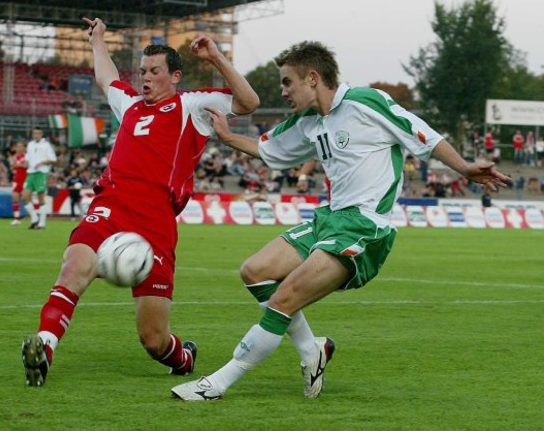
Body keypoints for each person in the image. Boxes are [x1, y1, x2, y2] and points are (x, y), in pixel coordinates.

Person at [171, 40, 510, 401]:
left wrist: (463, 167)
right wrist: (225, 137)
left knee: (284, 299)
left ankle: (217, 384)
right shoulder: (307, 122)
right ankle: (310, 349)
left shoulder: (366, 102)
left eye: (288, 82)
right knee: (255, 271)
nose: (283, 91)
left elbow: (420, 134)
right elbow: (268, 150)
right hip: (329, 219)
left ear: (313, 78)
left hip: (364, 226)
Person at [20, 16, 259, 387]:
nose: (145, 78)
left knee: (153, 340)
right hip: (110, 206)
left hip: (155, 222)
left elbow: (249, 102)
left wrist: (215, 58)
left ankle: (182, 357)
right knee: (74, 266)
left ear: (175, 76)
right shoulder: (129, 105)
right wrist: (98, 39)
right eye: (143, 71)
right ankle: (44, 346)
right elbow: (105, 77)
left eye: (154, 71)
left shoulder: (191, 107)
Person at [22, 127, 57, 230]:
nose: (36, 135)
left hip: (41, 173)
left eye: (38, 133)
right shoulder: (30, 144)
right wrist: (26, 163)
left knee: (41, 198)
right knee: (25, 196)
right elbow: (28, 157)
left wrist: (42, 163)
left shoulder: (46, 145)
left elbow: (53, 159)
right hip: (31, 172)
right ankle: (34, 219)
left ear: (41, 134)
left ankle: (42, 223)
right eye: (34, 133)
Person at [10, 141, 28, 226]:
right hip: (16, 179)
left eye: (21, 146)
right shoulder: (14, 157)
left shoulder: (27, 156)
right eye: (18, 146)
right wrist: (19, 165)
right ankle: (16, 219)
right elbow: (13, 166)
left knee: (26, 198)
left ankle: (34, 217)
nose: (19, 148)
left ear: (24, 148)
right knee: (15, 198)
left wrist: (19, 165)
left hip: (25, 179)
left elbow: (26, 166)